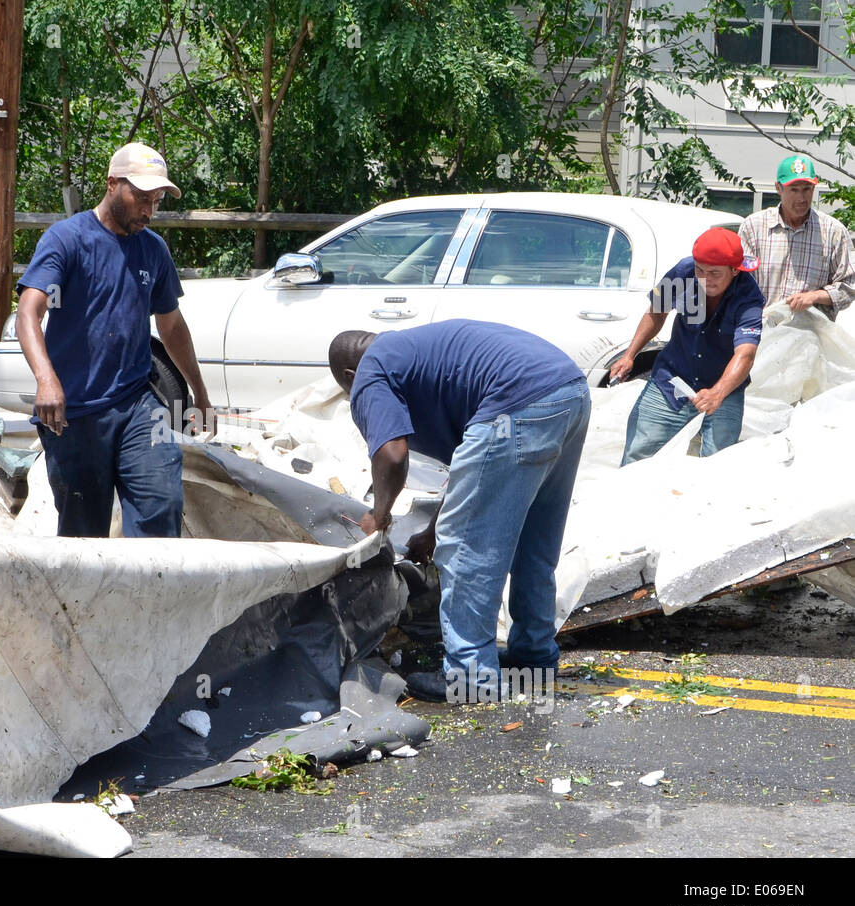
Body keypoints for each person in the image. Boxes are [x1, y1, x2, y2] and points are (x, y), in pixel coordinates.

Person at [330, 321, 590, 704]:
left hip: (517, 405)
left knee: (465, 554)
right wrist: (432, 531)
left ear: (350, 375)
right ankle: (533, 657)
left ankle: (471, 677)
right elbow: (474, 469)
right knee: (533, 541)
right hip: (568, 392)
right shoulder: (415, 354)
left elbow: (392, 453)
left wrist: (379, 515)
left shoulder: (372, 370)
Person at [15, 143, 211, 537]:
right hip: (74, 413)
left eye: (155, 200)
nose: (148, 210)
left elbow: (172, 327)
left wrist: (200, 393)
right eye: (140, 196)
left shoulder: (153, 250)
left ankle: (152, 596)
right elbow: (28, 312)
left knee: (162, 503)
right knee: (84, 533)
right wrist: (46, 379)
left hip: (137, 404)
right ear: (111, 184)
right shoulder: (67, 240)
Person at [611, 227, 763, 465]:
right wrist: (630, 354)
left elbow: (745, 354)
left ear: (734, 270)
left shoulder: (749, 296)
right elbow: (656, 312)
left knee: (718, 463)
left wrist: (717, 393)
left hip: (723, 388)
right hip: (673, 378)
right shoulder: (683, 272)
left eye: (714, 273)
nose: (705, 279)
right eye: (700, 270)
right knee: (638, 454)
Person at [737, 154, 855, 322]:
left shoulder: (832, 231)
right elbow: (739, 281)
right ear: (778, 188)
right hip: (762, 333)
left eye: (807, 189)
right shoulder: (753, 227)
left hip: (811, 338)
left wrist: (815, 296)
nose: (801, 198)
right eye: (794, 189)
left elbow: (850, 285)